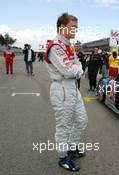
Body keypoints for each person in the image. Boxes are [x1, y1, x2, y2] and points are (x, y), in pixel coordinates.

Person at [45, 13, 88, 172]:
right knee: (63, 126)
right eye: (72, 27)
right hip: (61, 89)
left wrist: (77, 70)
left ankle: (72, 147)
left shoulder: (68, 45)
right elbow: (68, 70)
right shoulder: (55, 46)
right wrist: (77, 70)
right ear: (62, 27)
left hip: (73, 88)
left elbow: (77, 65)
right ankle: (63, 157)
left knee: (82, 120)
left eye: (76, 28)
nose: (75, 30)